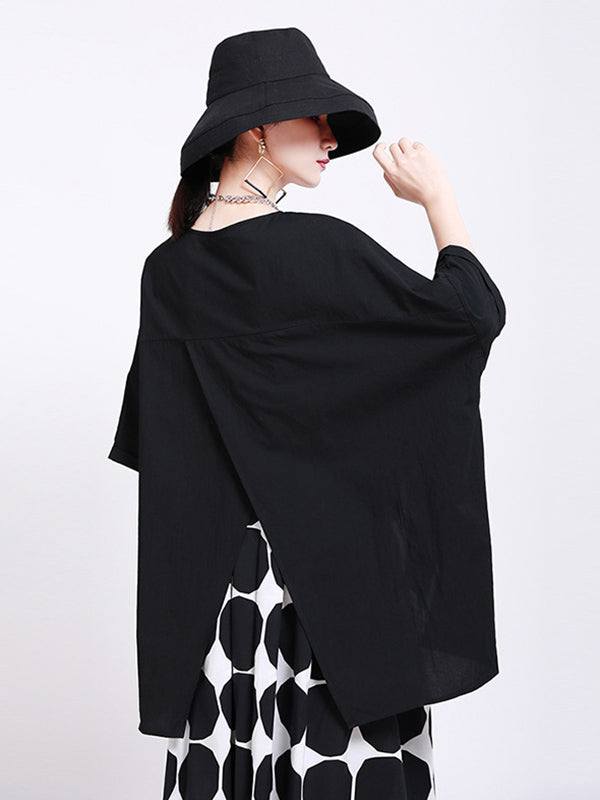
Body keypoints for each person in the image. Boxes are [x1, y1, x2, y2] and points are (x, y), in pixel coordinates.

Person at [109, 27, 506, 800]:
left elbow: (157, 446)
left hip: (224, 608)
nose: (330, 138)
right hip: (338, 597)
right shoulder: (322, 251)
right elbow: (469, 318)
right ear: (256, 130)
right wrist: (439, 201)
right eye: (314, 118)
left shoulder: (168, 274)